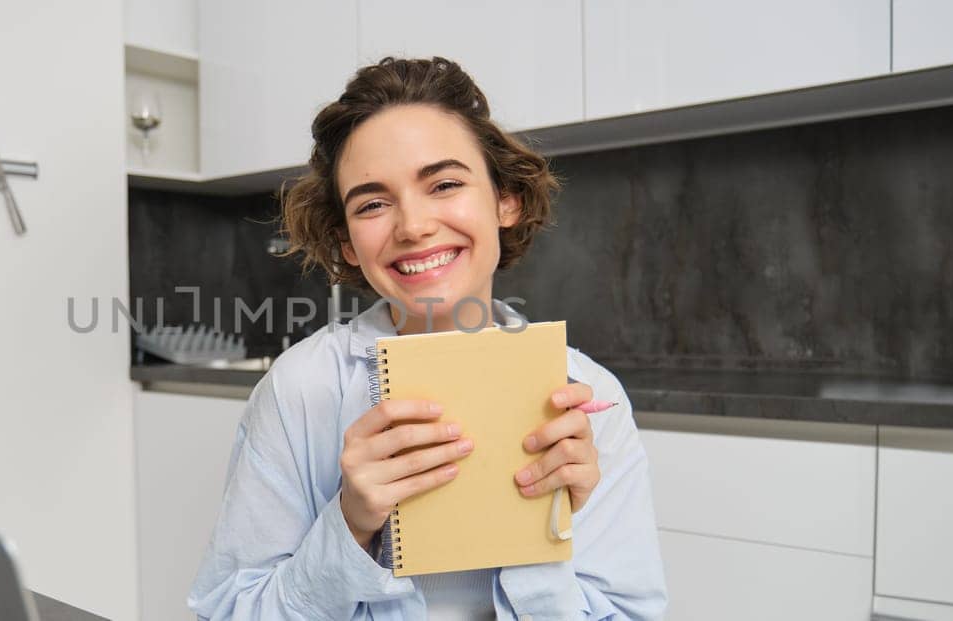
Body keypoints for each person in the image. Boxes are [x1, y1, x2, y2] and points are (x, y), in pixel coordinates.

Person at [188, 57, 666, 620]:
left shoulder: (587, 400)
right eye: (372, 203)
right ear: (346, 242)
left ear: (504, 199)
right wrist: (350, 523)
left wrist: (539, 535)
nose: (412, 226)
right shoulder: (300, 390)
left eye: (444, 183)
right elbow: (227, 613)